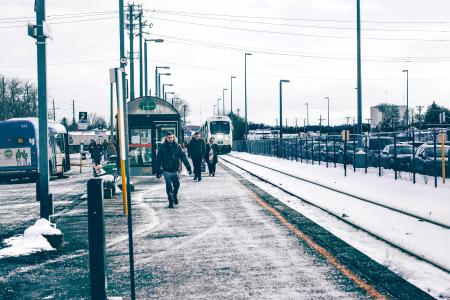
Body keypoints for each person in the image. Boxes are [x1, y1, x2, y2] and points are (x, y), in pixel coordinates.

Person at [155, 132, 192, 208]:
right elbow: (158, 159)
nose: (170, 139)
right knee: (169, 186)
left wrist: (189, 168)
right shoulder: (162, 147)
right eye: (169, 137)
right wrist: (158, 171)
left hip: (175, 170)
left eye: (172, 137)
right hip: (166, 170)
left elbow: (183, 158)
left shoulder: (177, 146)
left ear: (173, 138)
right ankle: (170, 200)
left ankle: (174, 194)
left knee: (177, 185)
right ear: (166, 138)